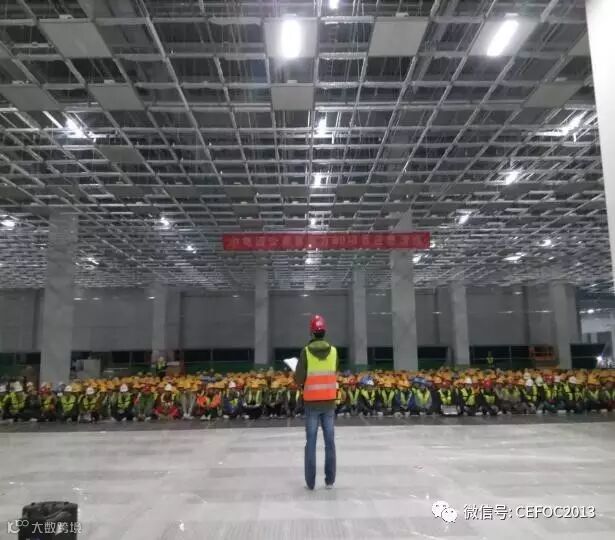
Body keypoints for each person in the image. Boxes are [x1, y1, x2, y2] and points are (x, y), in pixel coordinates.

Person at [295, 314, 337, 491]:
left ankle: (310, 482)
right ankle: (330, 481)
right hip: (329, 403)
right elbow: (333, 371)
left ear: (311, 333)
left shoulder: (305, 352)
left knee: (311, 442)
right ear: (324, 332)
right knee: (330, 442)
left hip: (312, 403)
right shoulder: (334, 351)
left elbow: (298, 378)